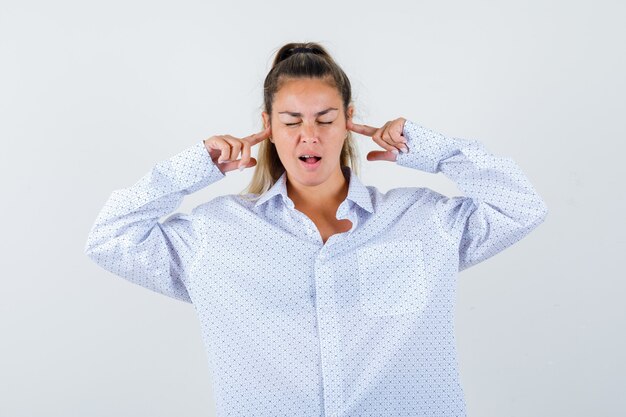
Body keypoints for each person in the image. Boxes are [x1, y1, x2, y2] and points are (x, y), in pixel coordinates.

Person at [84, 42, 548, 417]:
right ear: (266, 127)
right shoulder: (215, 234)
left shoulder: (422, 221)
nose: (310, 135)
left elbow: (521, 206)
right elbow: (109, 238)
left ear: (349, 122)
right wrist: (196, 166)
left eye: (325, 120)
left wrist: (428, 148)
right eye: (291, 121)